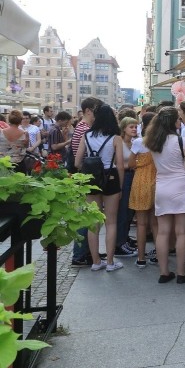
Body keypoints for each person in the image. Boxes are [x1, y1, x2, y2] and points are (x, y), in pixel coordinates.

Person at [145, 106, 185, 284]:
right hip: (181, 186)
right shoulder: (180, 141)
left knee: (163, 232)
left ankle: (164, 272)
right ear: (172, 121)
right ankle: (181, 272)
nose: (179, 121)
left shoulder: (153, 142)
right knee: (182, 232)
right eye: (177, 119)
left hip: (162, 186)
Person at [75, 105, 125, 272]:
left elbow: (77, 162)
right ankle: (110, 262)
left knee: (93, 222)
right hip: (110, 178)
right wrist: (121, 186)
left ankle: (96, 261)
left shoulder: (86, 135)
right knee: (111, 222)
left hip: (91, 179)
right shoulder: (115, 138)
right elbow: (120, 165)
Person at [70, 97, 104, 266]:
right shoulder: (85, 129)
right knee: (87, 217)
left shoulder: (83, 128)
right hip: (85, 176)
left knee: (88, 216)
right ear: (89, 111)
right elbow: (79, 160)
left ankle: (87, 252)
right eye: (96, 110)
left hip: (84, 175)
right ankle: (80, 254)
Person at [129, 113, 157, 268]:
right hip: (157, 181)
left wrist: (140, 163)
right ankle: (159, 255)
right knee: (156, 223)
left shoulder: (139, 142)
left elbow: (131, 163)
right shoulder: (160, 141)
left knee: (141, 224)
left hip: (140, 181)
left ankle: (141, 258)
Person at [115, 116, 140, 257]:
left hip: (133, 176)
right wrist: (131, 165)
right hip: (123, 177)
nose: (134, 129)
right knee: (123, 211)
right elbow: (115, 163)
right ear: (124, 128)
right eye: (131, 127)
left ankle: (124, 239)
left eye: (136, 127)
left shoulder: (135, 142)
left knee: (130, 210)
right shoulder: (119, 142)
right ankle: (119, 243)